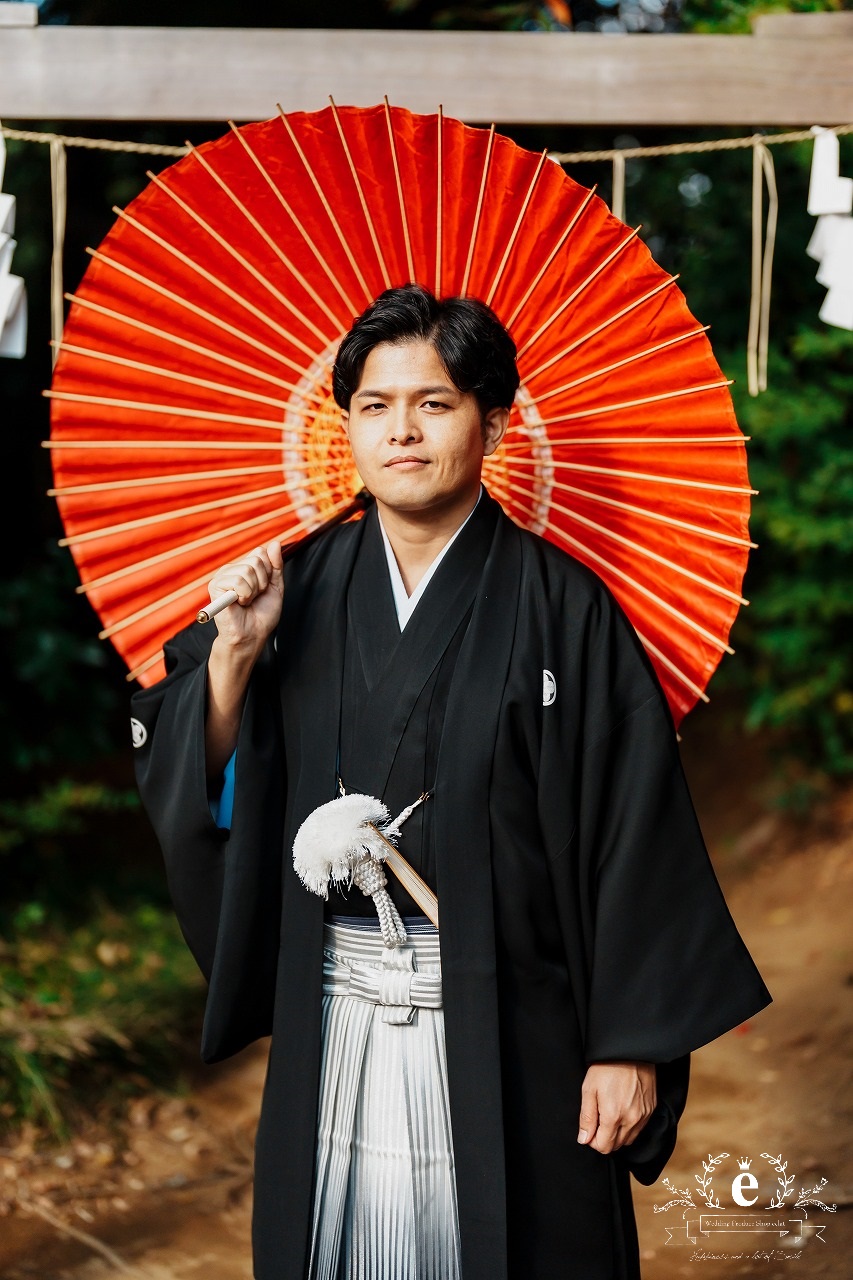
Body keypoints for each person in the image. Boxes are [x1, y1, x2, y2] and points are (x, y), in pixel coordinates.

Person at [131, 283, 771, 1280]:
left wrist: (630, 1042)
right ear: (345, 425)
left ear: (493, 421)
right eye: (376, 406)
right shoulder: (283, 590)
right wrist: (232, 662)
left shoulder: (565, 607)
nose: (402, 431)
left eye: (433, 403)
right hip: (337, 1005)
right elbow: (196, 775)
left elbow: (630, 831)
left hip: (519, 1022)